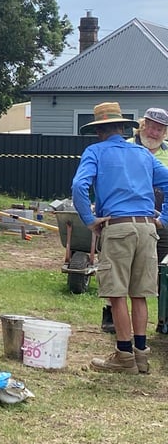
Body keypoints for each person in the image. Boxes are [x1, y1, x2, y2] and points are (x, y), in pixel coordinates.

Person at [72, 101, 168, 374]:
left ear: (100, 130)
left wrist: (90, 221)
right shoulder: (143, 154)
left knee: (116, 294)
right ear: (122, 127)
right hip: (147, 228)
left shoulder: (96, 151)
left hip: (119, 227)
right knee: (140, 294)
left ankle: (123, 356)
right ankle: (141, 356)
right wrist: (164, 219)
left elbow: (79, 186)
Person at [100, 107, 168, 332]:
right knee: (119, 272)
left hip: (157, 221)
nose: (155, 132)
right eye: (152, 127)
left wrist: (165, 218)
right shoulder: (126, 146)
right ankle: (113, 319)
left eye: (160, 129)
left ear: (165, 132)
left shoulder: (167, 153)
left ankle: (161, 320)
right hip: (128, 215)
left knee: (154, 274)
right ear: (143, 125)